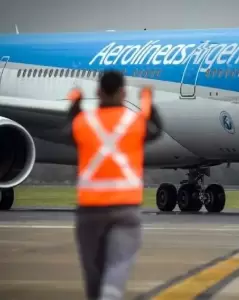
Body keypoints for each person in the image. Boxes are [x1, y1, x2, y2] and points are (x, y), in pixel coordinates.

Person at [66, 70, 163, 300]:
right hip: (125, 209)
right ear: (123, 92)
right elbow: (155, 128)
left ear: (98, 92)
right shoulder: (134, 122)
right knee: (118, 264)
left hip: (89, 211)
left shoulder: (84, 122)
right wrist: (147, 100)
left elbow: (69, 129)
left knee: (93, 273)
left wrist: (75, 103)